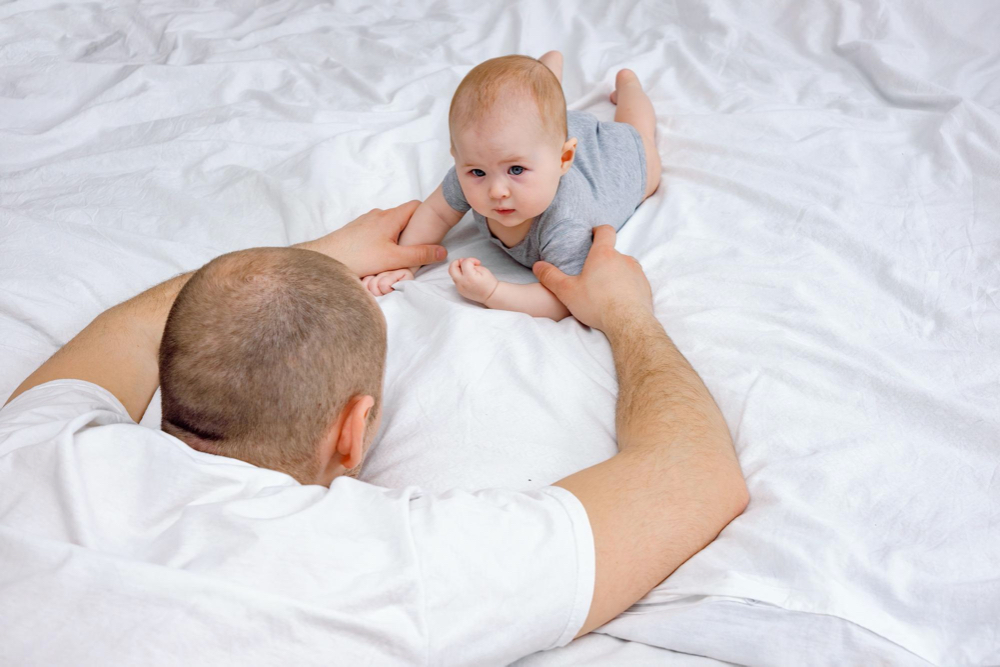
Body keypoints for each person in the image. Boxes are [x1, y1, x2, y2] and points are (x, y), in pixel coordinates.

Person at [0, 202, 747, 666]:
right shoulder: (391, 569)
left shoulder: (35, 449)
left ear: (169, 385)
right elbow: (696, 475)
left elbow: (126, 331)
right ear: (353, 431)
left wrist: (309, 259)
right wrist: (627, 315)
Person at [361, 51, 661, 321]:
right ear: (458, 159)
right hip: (539, 144)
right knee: (531, 113)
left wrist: (494, 293)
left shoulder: (566, 226)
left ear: (563, 158)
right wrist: (406, 261)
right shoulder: (482, 168)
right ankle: (544, 74)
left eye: (516, 170)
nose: (496, 191)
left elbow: (569, 297)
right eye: (477, 171)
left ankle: (629, 85)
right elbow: (436, 213)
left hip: (620, 162)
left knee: (636, 128)